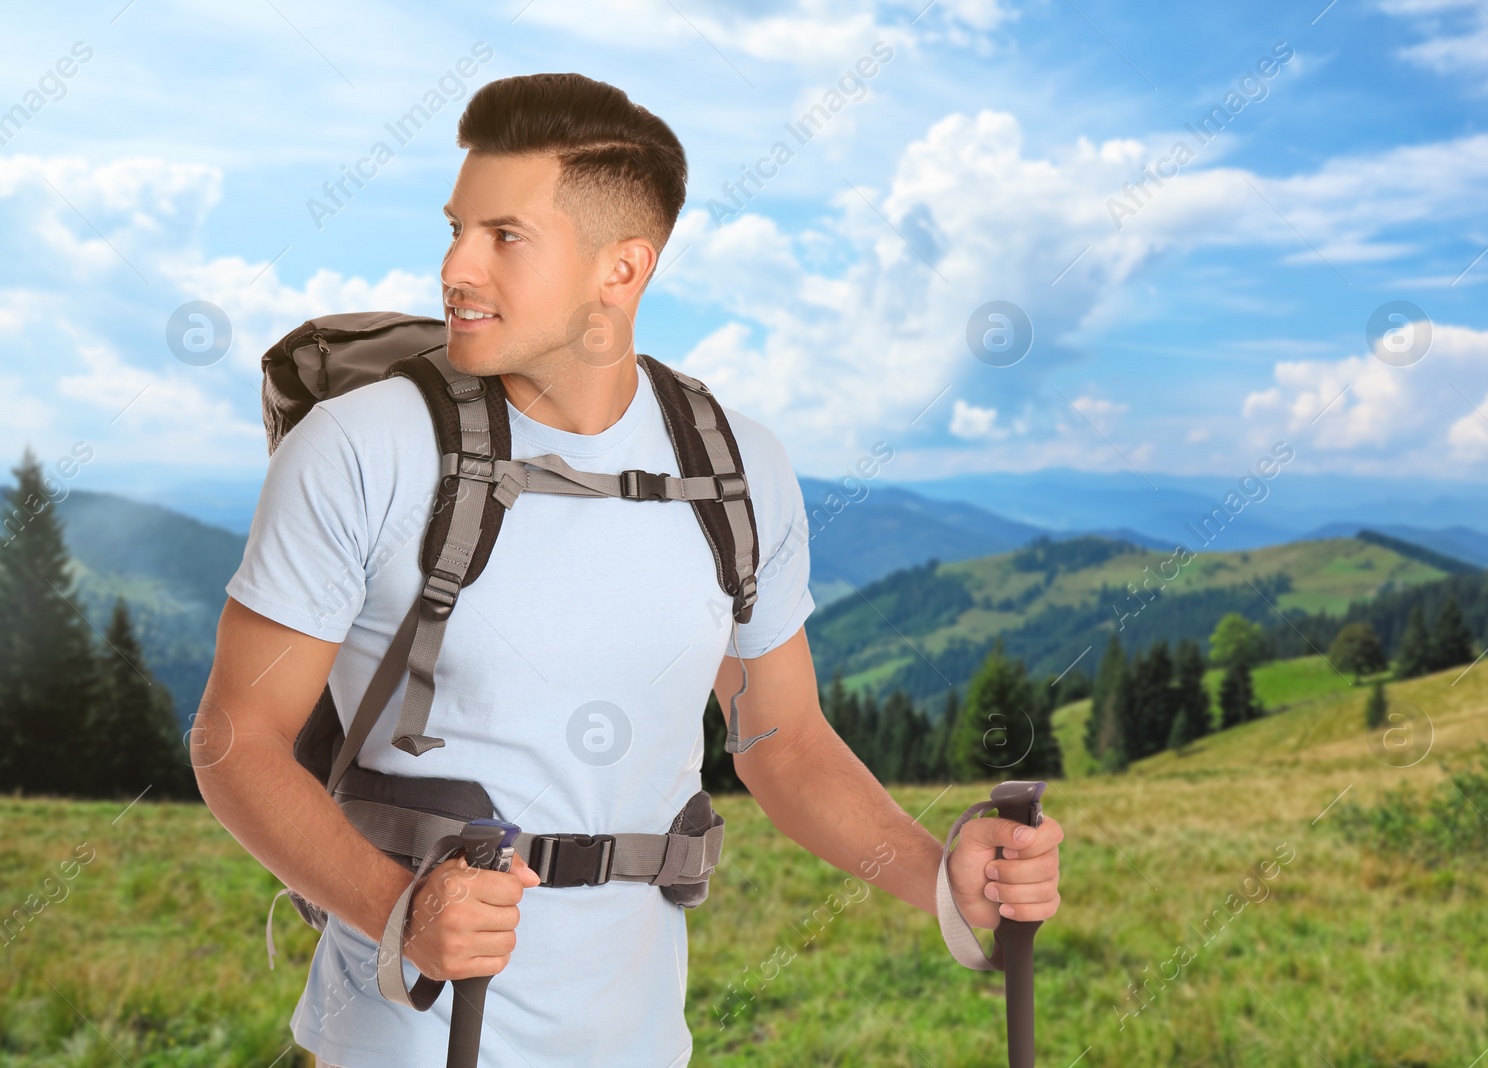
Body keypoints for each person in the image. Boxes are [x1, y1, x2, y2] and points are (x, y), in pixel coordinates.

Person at [192, 72, 1062, 1068]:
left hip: (643, 1040)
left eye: (504, 237)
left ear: (622, 267)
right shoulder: (361, 447)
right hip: (400, 1040)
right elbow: (235, 739)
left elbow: (781, 741)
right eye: (455, 228)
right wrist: (403, 912)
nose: (456, 269)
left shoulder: (734, 465)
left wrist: (945, 877)